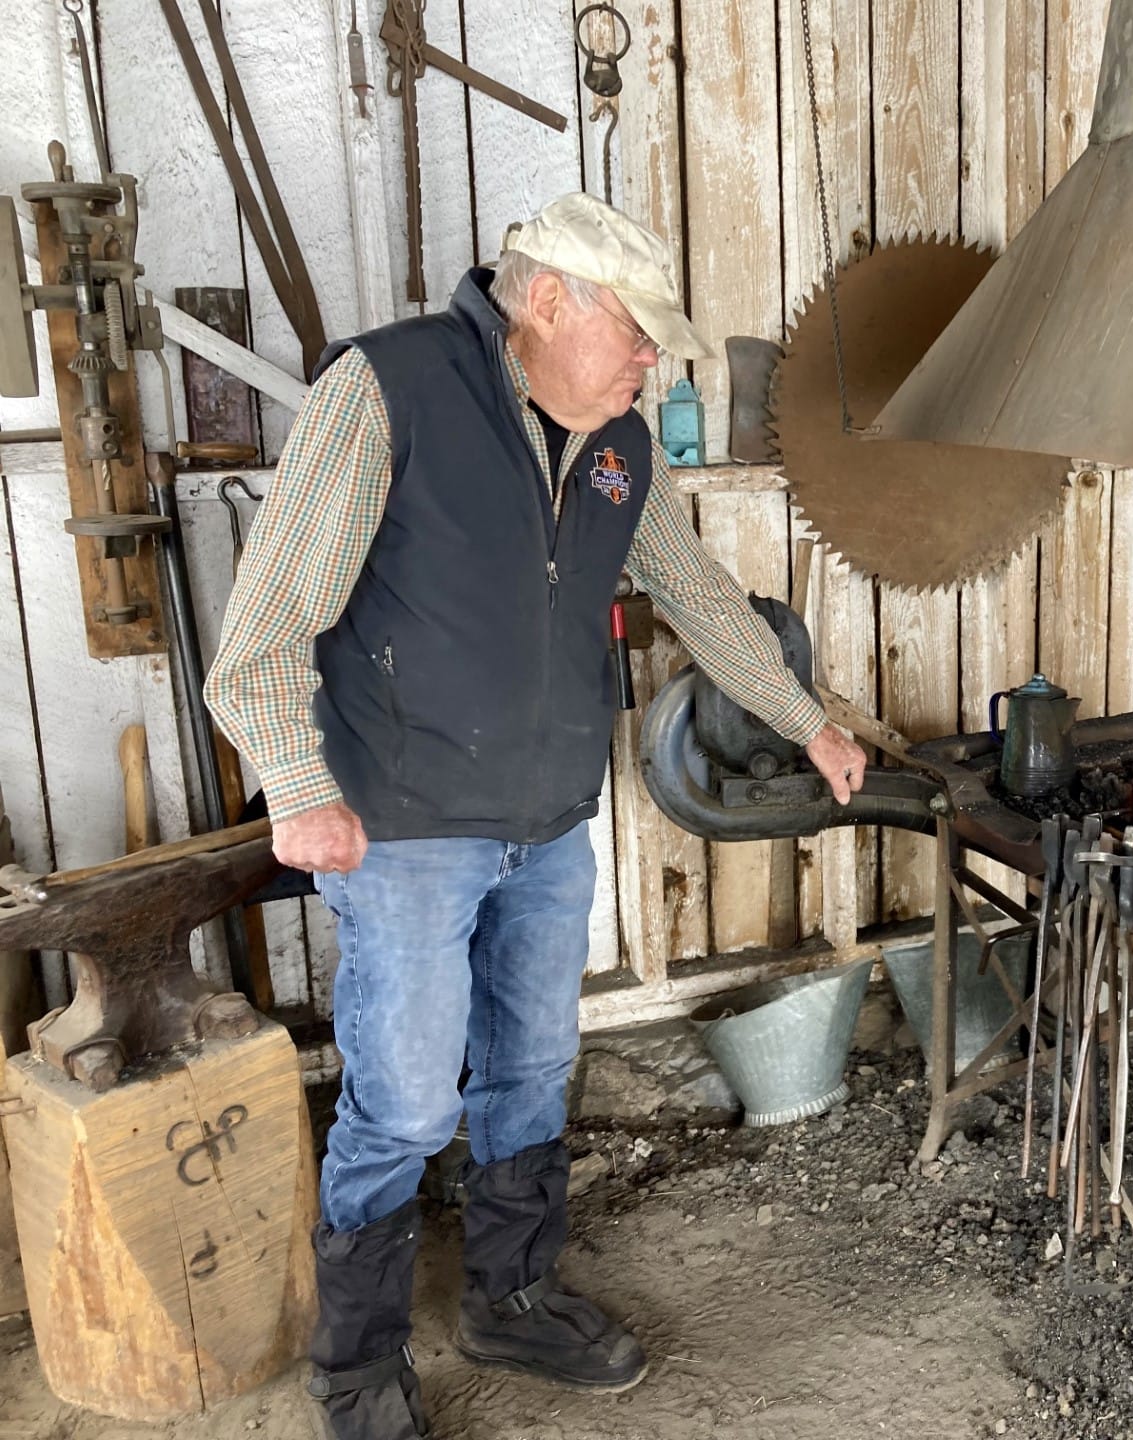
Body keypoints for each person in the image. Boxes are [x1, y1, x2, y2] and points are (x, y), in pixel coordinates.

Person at [206, 191, 867, 1440]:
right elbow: (266, 629)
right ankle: (356, 1366)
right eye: (636, 332)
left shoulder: (620, 445)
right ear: (548, 302)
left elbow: (698, 594)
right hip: (404, 825)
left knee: (530, 1071)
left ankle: (510, 1298)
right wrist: (297, 785)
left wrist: (808, 720)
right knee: (406, 1104)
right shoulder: (389, 390)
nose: (650, 360)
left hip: (548, 822)